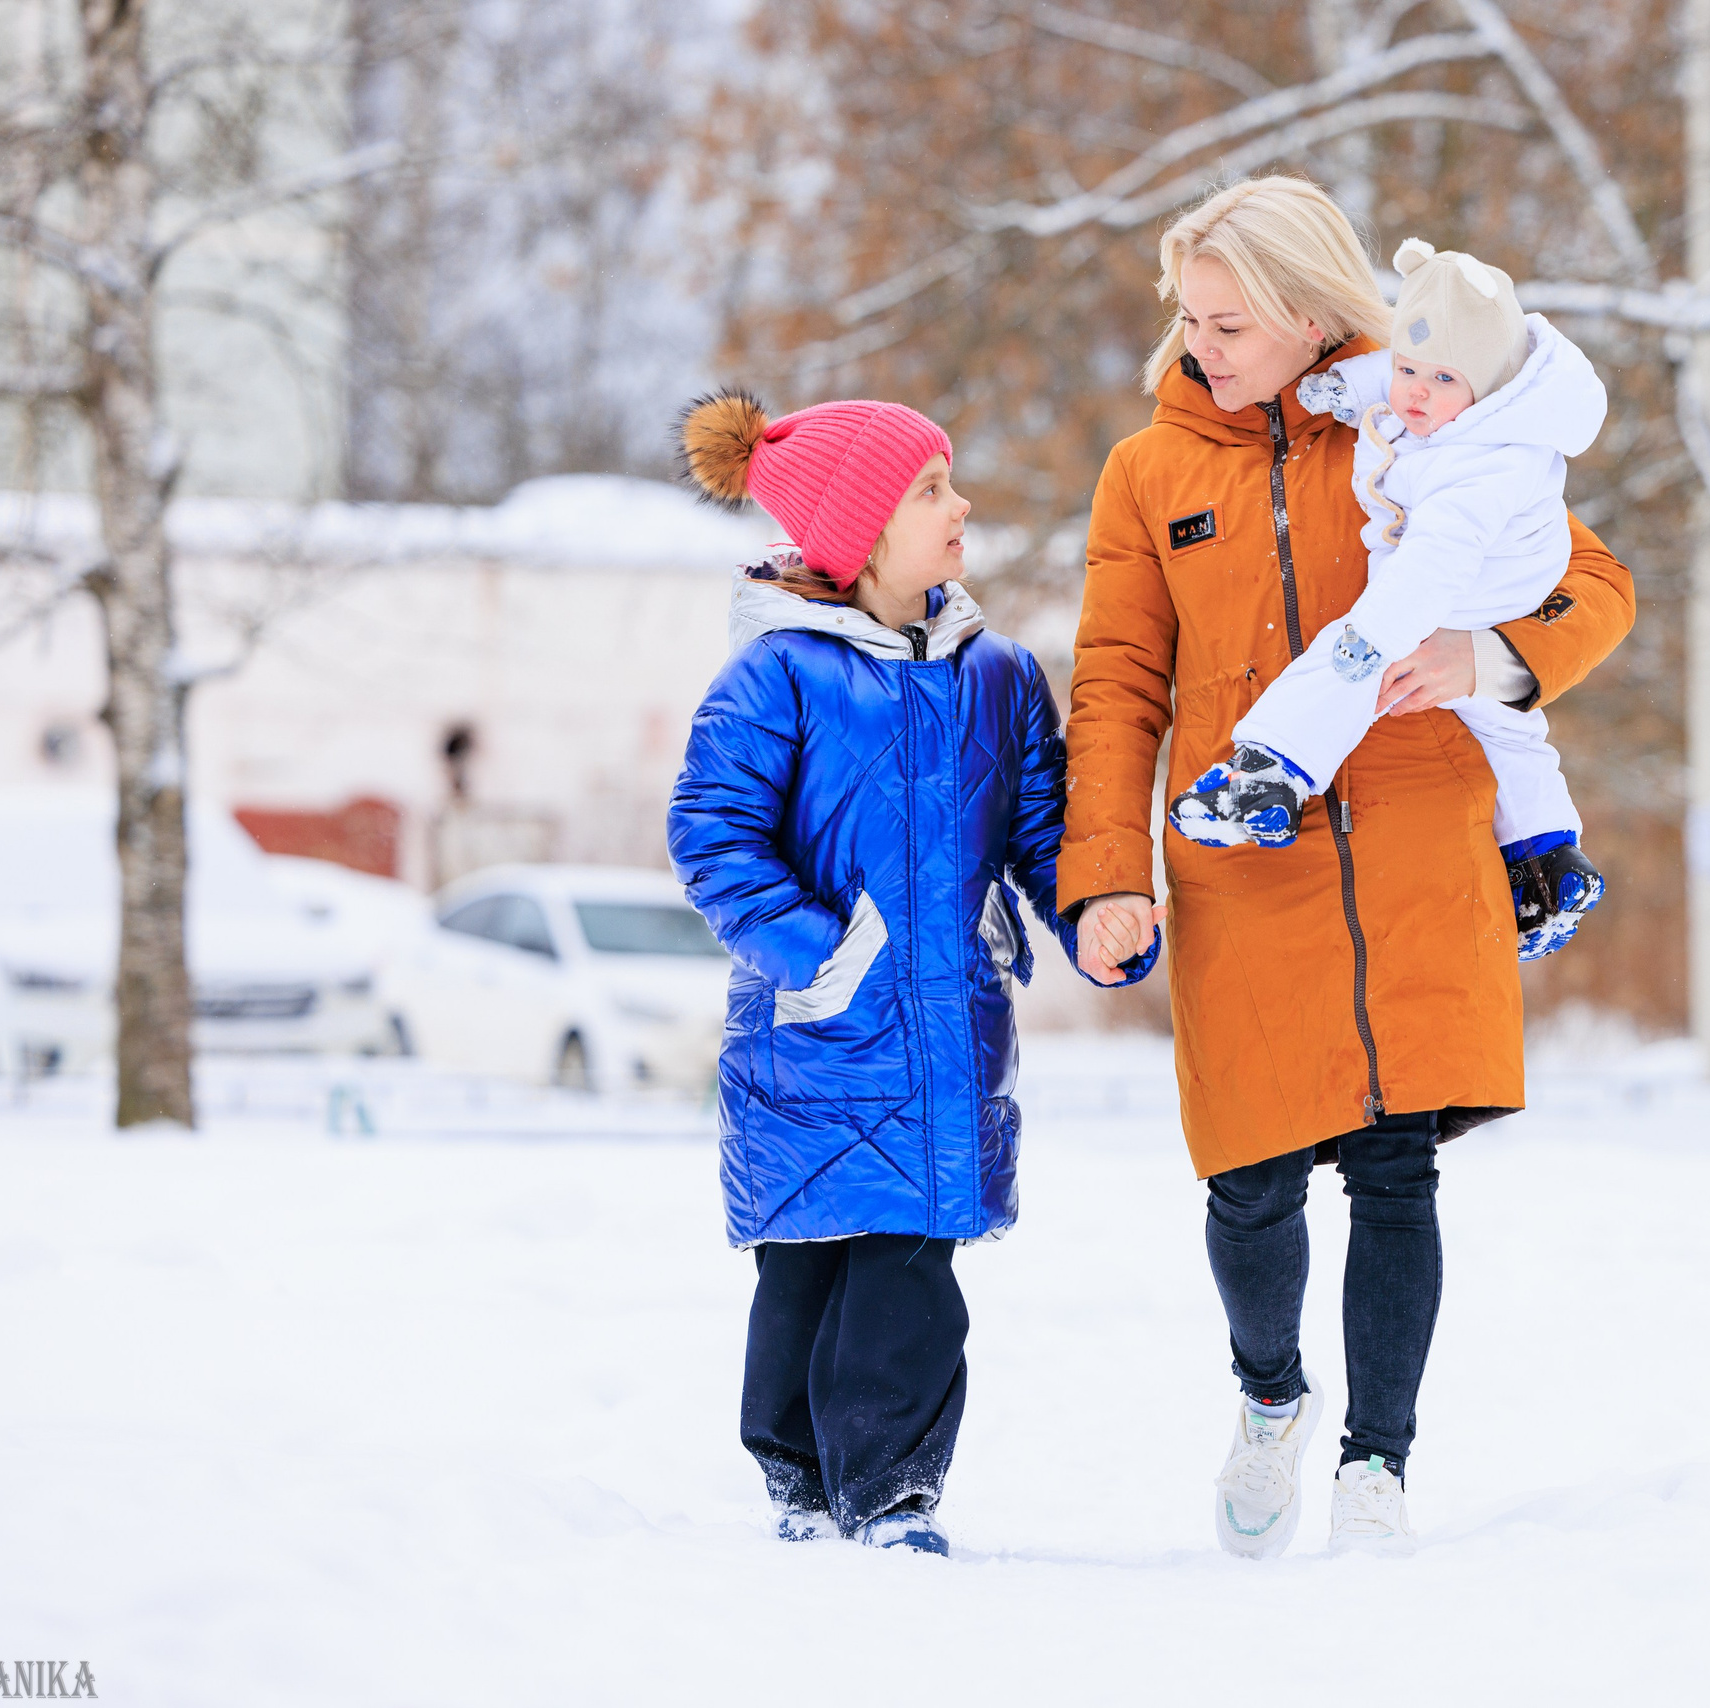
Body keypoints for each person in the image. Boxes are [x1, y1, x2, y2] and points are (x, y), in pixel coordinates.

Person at [1058, 176, 1636, 1557]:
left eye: (1232, 321)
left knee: (1396, 1170)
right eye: (1190, 319)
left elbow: (1588, 583)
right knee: (1250, 1179)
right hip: (1240, 851)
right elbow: (1118, 681)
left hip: (1415, 846)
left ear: (1315, 314)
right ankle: (1272, 1399)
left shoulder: (1419, 426)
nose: (1203, 345)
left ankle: (1378, 1465)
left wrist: (1498, 658)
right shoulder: (1150, 473)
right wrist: (1104, 873)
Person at [667, 389, 1157, 1558]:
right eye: (930, 488)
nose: (960, 505)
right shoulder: (777, 677)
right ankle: (794, 1469)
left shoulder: (997, 676)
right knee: (805, 1260)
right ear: (858, 530)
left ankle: (890, 1487)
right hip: (815, 1029)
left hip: (943, 1030)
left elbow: (1042, 825)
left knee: (909, 1268)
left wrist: (1088, 905)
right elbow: (714, 837)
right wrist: (821, 955)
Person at [1168, 236, 1612, 961]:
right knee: (1505, 730)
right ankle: (1548, 856)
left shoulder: (1481, 468)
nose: (1413, 394)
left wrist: (1391, 635)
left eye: (1229, 326)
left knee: (1349, 669)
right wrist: (1354, 387)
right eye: (1406, 371)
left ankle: (1269, 773)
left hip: (1469, 592)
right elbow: (1412, 367)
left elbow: (1439, 572)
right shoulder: (1444, 395)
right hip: (1470, 587)